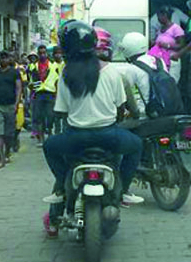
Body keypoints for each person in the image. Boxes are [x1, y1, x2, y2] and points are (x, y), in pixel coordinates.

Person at [42, 21, 144, 205]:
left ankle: (63, 187)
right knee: (136, 145)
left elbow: (61, 112)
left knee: (49, 146)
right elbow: (121, 108)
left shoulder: (65, 74)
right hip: (109, 135)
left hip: (76, 136)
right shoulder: (111, 71)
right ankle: (124, 190)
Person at [118, 32, 165, 116]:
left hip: (144, 113)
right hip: (163, 108)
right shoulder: (159, 62)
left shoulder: (132, 68)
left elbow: (127, 94)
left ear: (129, 49)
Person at [30, 44, 61, 146]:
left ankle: (50, 135)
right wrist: (32, 91)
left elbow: (57, 81)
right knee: (39, 117)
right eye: (40, 53)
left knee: (50, 116)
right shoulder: (33, 66)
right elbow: (30, 82)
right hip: (39, 94)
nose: (42, 55)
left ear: (47, 54)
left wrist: (57, 95)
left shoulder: (53, 65)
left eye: (44, 53)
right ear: (38, 54)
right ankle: (41, 139)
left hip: (50, 93)